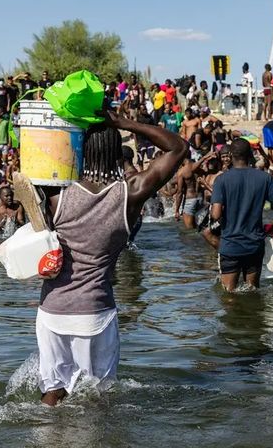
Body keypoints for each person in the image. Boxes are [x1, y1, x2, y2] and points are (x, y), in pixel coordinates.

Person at [35, 110, 186, 406]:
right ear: (118, 154)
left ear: (81, 150)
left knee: (52, 392)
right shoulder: (129, 194)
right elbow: (178, 147)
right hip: (95, 313)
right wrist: (124, 123)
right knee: (95, 398)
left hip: (51, 311)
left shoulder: (55, 193)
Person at [207, 138, 273, 292]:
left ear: (231, 155)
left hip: (230, 245)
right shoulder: (264, 178)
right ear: (251, 154)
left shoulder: (221, 180)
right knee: (252, 292)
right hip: (254, 245)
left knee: (229, 296)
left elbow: (216, 214)